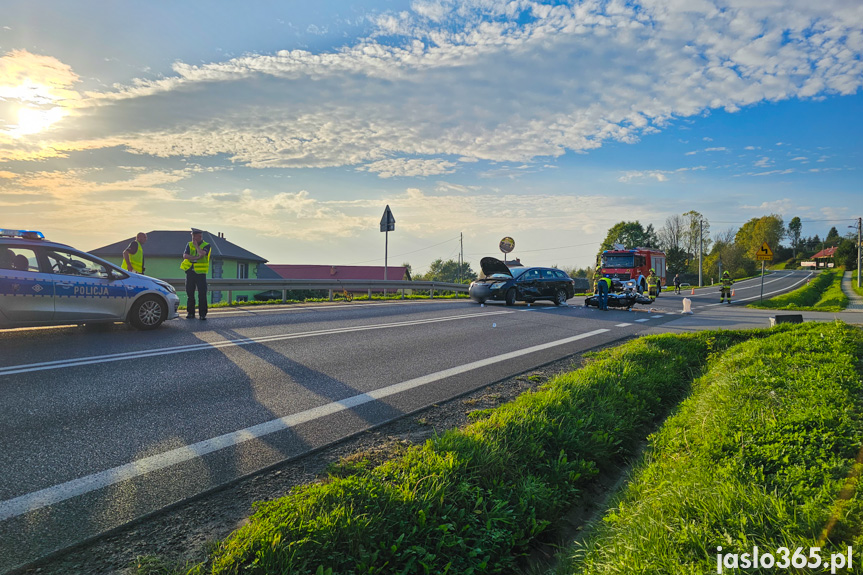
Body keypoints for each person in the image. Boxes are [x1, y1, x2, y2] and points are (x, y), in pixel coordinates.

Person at [181, 228, 211, 320]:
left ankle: (202, 314)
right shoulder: (189, 244)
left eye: (194, 236)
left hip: (201, 273)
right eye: (192, 236)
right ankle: (191, 313)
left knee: (202, 294)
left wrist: (197, 247)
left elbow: (202, 254)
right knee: (190, 293)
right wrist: (195, 257)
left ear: (200, 237)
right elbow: (185, 256)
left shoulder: (207, 245)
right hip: (190, 272)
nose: (193, 238)